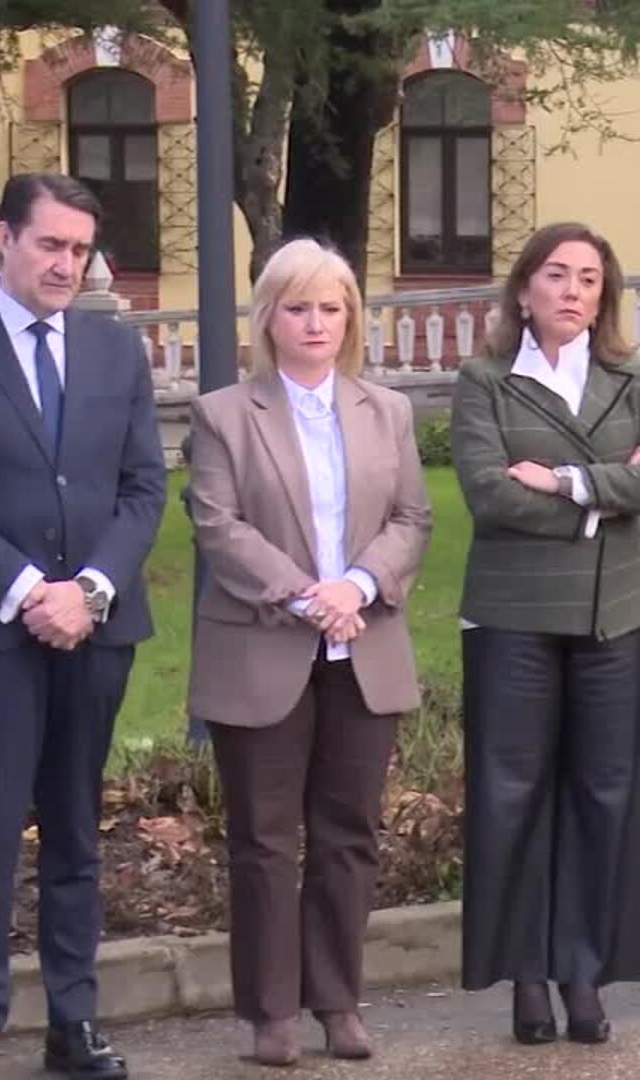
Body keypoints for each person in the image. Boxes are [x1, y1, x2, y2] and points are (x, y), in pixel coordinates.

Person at [186, 238, 432, 1066]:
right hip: (263, 647)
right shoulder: (224, 415)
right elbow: (218, 524)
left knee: (348, 832)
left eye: (331, 308)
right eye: (298, 308)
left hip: (362, 645)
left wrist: (355, 587)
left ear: (350, 318)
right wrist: (305, 594)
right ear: (269, 319)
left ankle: (337, 1002)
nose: (316, 323)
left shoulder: (386, 411)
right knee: (263, 840)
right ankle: (272, 1013)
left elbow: (413, 519)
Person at [451, 222, 640, 1046]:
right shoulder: (484, 379)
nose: (573, 290)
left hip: (611, 617)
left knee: (604, 793)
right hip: (513, 617)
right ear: (524, 290)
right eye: (557, 274)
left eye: (589, 278)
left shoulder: (631, 375)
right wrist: (611, 498)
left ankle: (583, 973)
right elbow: (487, 495)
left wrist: (566, 482)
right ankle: (527, 976)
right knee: (514, 794)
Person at [0, 173, 165, 1080]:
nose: (66, 264)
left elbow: (144, 487)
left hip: (95, 632)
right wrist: (24, 589)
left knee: (77, 834)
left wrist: (88, 590)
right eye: (50, 244)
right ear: (3, 236)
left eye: (80, 249)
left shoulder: (116, 351)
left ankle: (73, 1023)